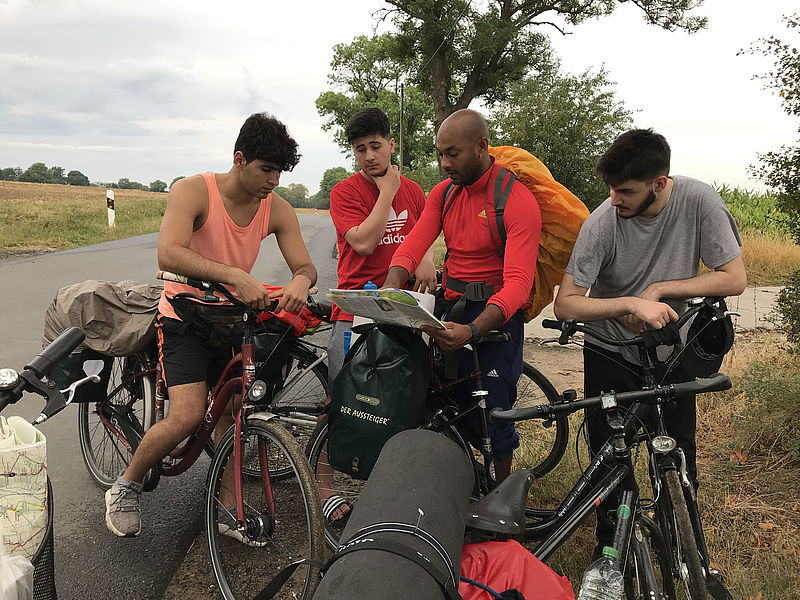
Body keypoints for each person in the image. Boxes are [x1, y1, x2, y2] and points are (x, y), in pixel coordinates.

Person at [104, 113, 317, 540]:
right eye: (266, 169)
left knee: (234, 417)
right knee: (186, 415)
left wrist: (300, 279)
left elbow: (306, 265)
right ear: (239, 159)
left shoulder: (277, 208)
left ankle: (226, 508)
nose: (274, 180)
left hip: (231, 320)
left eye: (280, 171)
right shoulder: (193, 191)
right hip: (184, 316)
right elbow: (169, 253)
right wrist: (233, 275)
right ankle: (125, 486)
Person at [553, 128, 747, 556]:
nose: (614, 199)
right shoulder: (601, 223)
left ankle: (686, 550)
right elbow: (565, 306)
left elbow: (735, 278)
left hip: (672, 351)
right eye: (611, 189)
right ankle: (611, 552)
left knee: (679, 451)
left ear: (660, 183)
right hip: (610, 351)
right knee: (610, 454)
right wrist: (629, 304)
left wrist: (659, 289)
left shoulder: (699, 201)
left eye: (625, 190)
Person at [383, 109, 542, 483]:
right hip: (449, 307)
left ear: (482, 147)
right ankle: (456, 481)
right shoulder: (444, 193)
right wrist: (392, 285)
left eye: (453, 153)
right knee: (441, 401)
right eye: (440, 153)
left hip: (495, 317)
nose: (443, 163)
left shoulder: (517, 202)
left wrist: (472, 332)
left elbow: (518, 285)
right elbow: (414, 244)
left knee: (495, 412)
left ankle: (501, 498)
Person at [322, 107, 436, 524]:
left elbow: (424, 232)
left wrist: (425, 256)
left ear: (391, 144)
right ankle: (326, 487)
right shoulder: (345, 192)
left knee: (405, 399)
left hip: (403, 308)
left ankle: (391, 485)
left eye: (375, 146)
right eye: (359, 149)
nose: (369, 156)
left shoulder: (416, 190)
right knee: (343, 398)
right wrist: (386, 192)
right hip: (356, 310)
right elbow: (365, 243)